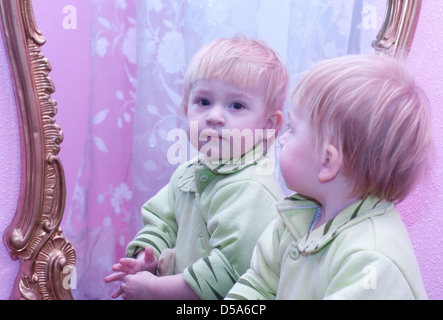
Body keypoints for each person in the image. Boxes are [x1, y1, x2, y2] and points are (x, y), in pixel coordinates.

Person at [226, 54, 433, 300]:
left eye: (292, 129)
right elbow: (258, 285)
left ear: (327, 162)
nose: (282, 139)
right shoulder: (297, 216)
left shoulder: (371, 261)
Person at [104, 37, 289, 300]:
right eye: (203, 101)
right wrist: (147, 257)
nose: (214, 116)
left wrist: (154, 290)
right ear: (185, 108)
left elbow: (228, 274)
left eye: (236, 105)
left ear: (268, 125)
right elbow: (161, 222)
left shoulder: (252, 188)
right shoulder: (188, 172)